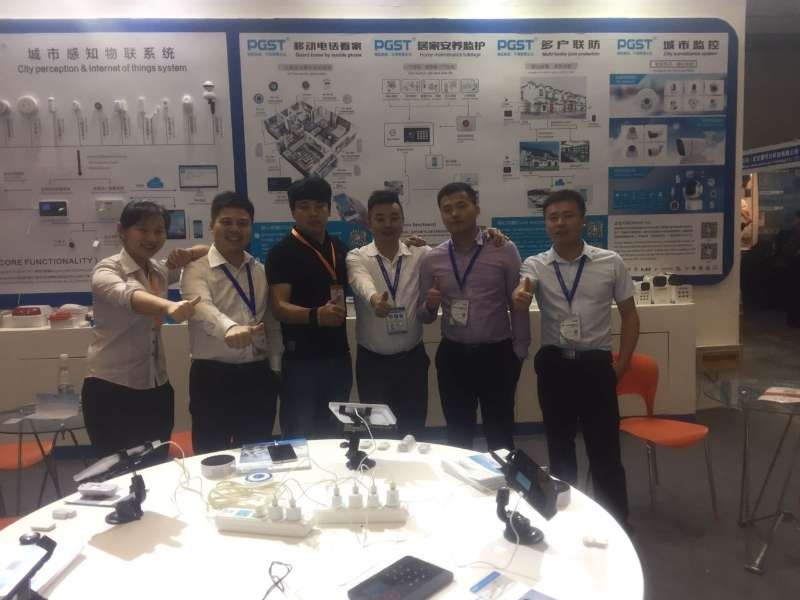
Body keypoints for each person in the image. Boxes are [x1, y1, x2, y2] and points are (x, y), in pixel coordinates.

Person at [513, 188, 639, 528]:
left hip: (596, 366)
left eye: (568, 216)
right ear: (546, 224)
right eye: (552, 217)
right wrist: (521, 296)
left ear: (583, 220)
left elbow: (630, 316)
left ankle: (616, 522)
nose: (560, 223)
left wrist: (623, 364)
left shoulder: (610, 262)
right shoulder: (536, 264)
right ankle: (565, 520)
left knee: (605, 450)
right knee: (560, 448)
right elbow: (524, 287)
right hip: (555, 366)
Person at [82, 200, 200, 462]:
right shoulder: (106, 269)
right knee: (115, 472)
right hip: (112, 388)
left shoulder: (157, 270)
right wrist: (168, 305)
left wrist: (188, 253)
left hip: (156, 386)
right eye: (142, 230)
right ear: (121, 231)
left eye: (159, 231)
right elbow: (128, 296)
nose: (151, 238)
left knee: (155, 465)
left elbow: (207, 253)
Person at [418, 182, 530, 451]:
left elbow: (518, 303)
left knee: (500, 434)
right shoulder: (432, 259)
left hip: (497, 354)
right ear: (441, 215)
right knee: (458, 436)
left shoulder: (504, 249)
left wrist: (520, 350)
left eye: (461, 206)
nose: (454, 213)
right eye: (447, 209)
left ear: (476, 209)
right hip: (453, 356)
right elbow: (423, 316)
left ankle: (503, 477)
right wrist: (430, 306)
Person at [180, 192, 283, 453]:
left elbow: (270, 322)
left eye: (242, 223)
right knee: (212, 455)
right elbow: (200, 306)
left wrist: (275, 367)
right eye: (226, 222)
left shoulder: (259, 270)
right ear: (212, 224)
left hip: (257, 376)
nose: (235, 229)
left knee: (256, 453)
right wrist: (230, 328)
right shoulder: (195, 269)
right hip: (213, 377)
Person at [266, 177, 352, 438]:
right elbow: (279, 307)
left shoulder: (340, 248)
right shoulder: (282, 252)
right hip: (301, 361)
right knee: (299, 436)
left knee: (335, 435)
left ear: (329, 209)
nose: (313, 213)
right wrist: (316, 315)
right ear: (293, 211)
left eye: (319, 206)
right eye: (304, 206)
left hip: (339, 357)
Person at [346, 190, 430, 438]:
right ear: (369, 222)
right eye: (380, 218)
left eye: (394, 218)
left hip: (412, 361)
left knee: (414, 431)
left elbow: (452, 253)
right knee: (379, 435)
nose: (388, 224)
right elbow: (361, 282)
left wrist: (489, 236)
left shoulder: (421, 254)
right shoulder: (357, 257)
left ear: (403, 220)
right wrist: (374, 299)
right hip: (373, 365)